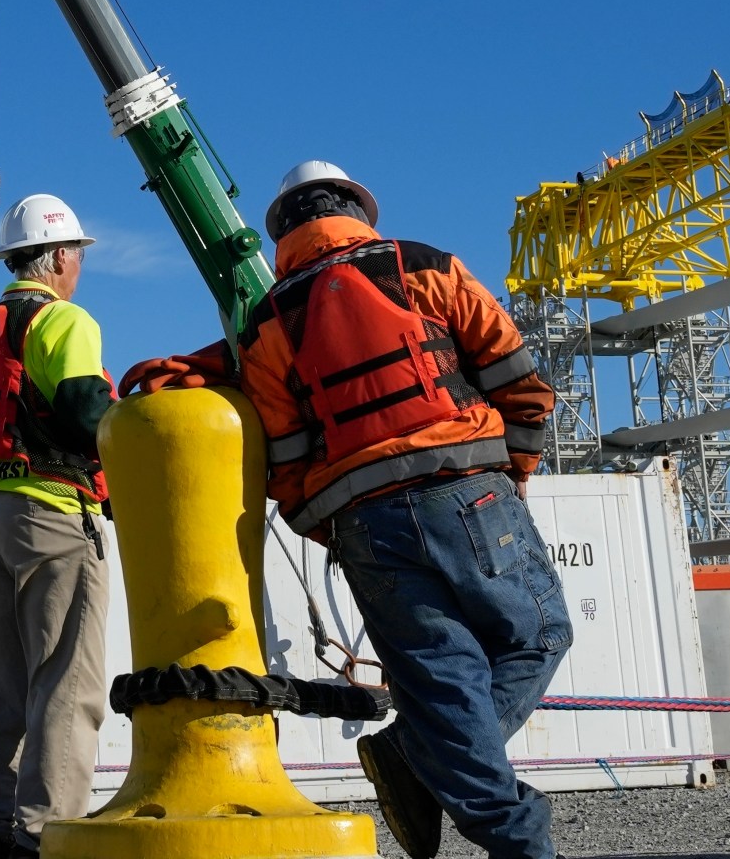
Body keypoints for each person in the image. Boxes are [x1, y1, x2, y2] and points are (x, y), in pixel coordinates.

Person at [122, 161, 568, 859]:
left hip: (367, 523)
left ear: (282, 234)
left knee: (442, 682)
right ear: (358, 209)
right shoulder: (425, 266)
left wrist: (336, 527)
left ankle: (511, 836)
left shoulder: (268, 323)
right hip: (469, 491)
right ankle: (423, 757)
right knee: (536, 637)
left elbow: (287, 457)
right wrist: (509, 477)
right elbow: (519, 379)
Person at [0, 193, 118, 859]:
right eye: (77, 257)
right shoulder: (62, 319)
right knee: (65, 677)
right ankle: (45, 836)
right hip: (47, 511)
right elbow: (83, 406)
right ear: (62, 257)